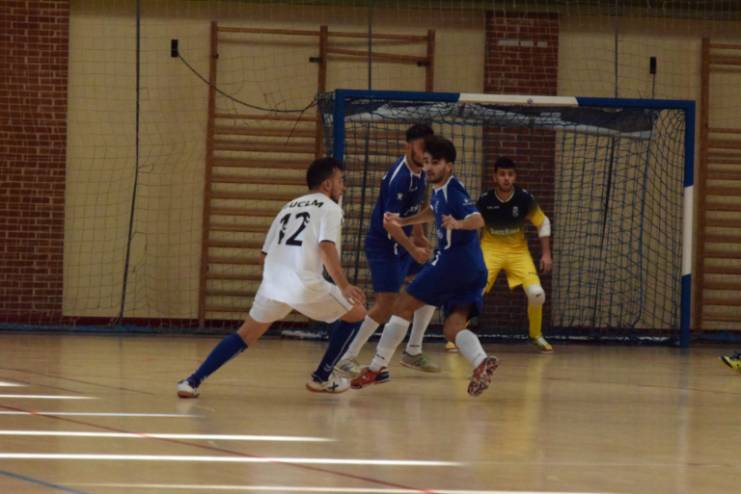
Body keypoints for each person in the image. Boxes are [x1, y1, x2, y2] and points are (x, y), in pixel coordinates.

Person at [177, 157, 366, 397]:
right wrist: (344, 286)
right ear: (327, 184)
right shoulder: (330, 208)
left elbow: (263, 255)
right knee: (357, 313)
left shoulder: (288, 207)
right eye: (341, 181)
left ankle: (192, 381)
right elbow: (326, 247)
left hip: (273, 283)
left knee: (245, 335)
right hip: (304, 284)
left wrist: (275, 284)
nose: (343, 187)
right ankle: (322, 377)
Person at [351, 135, 498, 397]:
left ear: (449, 166)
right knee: (453, 328)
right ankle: (481, 361)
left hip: (452, 264)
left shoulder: (453, 191)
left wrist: (458, 224)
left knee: (402, 306)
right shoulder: (441, 189)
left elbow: (478, 219)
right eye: (427, 161)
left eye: (435, 162)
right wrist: (403, 221)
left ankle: (376, 368)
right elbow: (432, 210)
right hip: (474, 269)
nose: (429, 167)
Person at [336, 124, 440, 378]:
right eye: (421, 148)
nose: (426, 153)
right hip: (384, 246)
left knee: (430, 286)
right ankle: (346, 357)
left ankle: (413, 351)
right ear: (408, 147)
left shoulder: (422, 171)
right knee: (385, 304)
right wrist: (413, 249)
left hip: (402, 243)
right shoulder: (400, 178)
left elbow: (417, 204)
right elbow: (389, 224)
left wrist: (418, 234)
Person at [476, 157, 554, 352]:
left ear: (515, 177)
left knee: (537, 294)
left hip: (518, 252)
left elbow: (543, 222)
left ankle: (536, 335)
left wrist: (546, 254)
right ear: (494, 177)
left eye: (510, 174)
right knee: (474, 289)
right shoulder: (484, 200)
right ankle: (457, 333)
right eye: (502, 174)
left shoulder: (524, 198)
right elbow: (471, 225)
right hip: (490, 249)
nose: (506, 178)